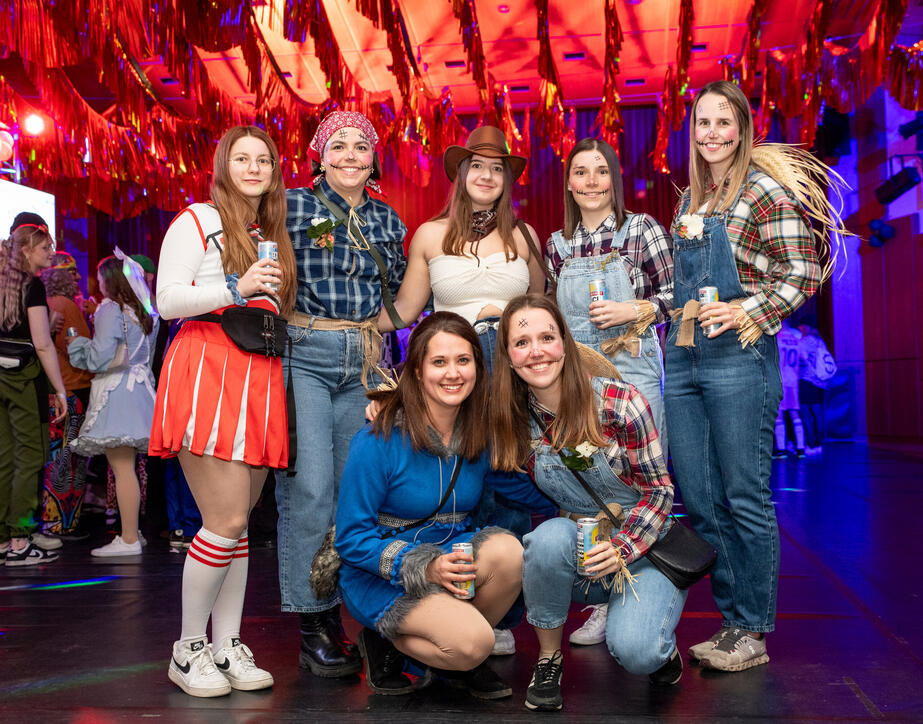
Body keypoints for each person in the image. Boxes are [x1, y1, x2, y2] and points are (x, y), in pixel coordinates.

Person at [663, 80, 844, 672]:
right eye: (702, 123)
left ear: (741, 128)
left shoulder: (762, 189)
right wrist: (648, 306)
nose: (711, 133)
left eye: (723, 122)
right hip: (686, 359)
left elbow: (804, 271)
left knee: (744, 496)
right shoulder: (692, 199)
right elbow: (686, 288)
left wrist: (748, 310)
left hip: (740, 359)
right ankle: (730, 621)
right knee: (701, 498)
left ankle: (752, 630)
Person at [378, 125, 546, 655]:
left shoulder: (524, 236)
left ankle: (501, 614)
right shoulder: (430, 234)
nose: (487, 175)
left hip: (514, 369)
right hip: (457, 369)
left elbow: (543, 307)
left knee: (514, 477)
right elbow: (406, 310)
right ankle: (458, 603)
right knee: (463, 476)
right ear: (460, 174)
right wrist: (340, 323)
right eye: (477, 165)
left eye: (497, 168)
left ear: (506, 180)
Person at [150, 125, 296, 697]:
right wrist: (236, 286)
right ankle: (188, 649)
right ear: (223, 164)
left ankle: (226, 645)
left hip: (257, 370)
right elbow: (167, 301)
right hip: (207, 363)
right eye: (243, 157)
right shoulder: (196, 219)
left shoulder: (269, 231)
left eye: (264, 158)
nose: (254, 167)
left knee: (237, 530)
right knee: (226, 522)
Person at [335, 312, 553, 698]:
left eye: (463, 360)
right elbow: (351, 539)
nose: (453, 373)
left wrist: (584, 489)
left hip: (451, 562)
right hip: (383, 576)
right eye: (439, 362)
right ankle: (402, 645)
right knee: (474, 644)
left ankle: (451, 648)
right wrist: (424, 567)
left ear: (476, 367)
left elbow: (527, 489)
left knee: (511, 552)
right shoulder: (377, 440)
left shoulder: (478, 434)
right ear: (417, 370)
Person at [489, 294, 684, 712]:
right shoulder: (513, 419)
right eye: (521, 342)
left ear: (565, 342)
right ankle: (548, 658)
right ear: (507, 355)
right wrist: (389, 407)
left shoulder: (619, 401)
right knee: (546, 538)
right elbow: (447, 416)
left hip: (642, 547)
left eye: (547, 336)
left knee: (638, 652)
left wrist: (622, 549)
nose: (536, 351)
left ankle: (655, 640)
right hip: (583, 548)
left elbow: (660, 491)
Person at [277, 111, 407, 678]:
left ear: (373, 157)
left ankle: (365, 614)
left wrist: (383, 338)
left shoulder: (386, 217)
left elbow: (402, 289)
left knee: (359, 490)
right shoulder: (290, 205)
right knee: (309, 488)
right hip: (304, 352)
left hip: (364, 360)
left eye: (362, 146)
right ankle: (314, 622)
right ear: (319, 155)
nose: (351, 155)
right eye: (339, 145)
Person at [545, 137, 673, 647]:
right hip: (579, 375)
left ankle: (643, 592)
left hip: (634, 367)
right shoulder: (557, 245)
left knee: (640, 482)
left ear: (613, 180)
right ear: (570, 182)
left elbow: (677, 294)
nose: (592, 181)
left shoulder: (641, 230)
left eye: (601, 171)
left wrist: (634, 310)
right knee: (585, 486)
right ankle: (601, 600)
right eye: (581, 172)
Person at [68, 254, 159, 556]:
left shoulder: (111, 310)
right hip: (141, 392)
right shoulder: (146, 311)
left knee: (122, 469)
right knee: (128, 467)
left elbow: (99, 356)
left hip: (118, 391)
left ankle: (129, 538)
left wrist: (76, 345)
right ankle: (133, 533)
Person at [0, 217, 67, 566]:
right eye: (45, 248)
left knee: (4, 457)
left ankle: (3, 539)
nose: (51, 253)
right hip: (24, 377)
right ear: (27, 249)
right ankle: (20, 540)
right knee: (29, 456)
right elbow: (42, 344)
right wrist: (59, 390)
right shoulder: (33, 286)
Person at [39, 264, 94, 536]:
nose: (79, 278)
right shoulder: (64, 304)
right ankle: (65, 523)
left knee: (54, 461)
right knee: (69, 463)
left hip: (52, 391)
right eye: (73, 273)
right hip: (71, 392)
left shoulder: (45, 303)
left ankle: (52, 521)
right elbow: (76, 347)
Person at [797, 320, 836, 453]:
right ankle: (819, 443)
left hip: (807, 380)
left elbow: (799, 359)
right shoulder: (820, 341)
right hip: (821, 382)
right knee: (818, 413)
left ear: (806, 327)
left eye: (801, 325)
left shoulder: (804, 342)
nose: (800, 328)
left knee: (805, 413)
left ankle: (811, 444)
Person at [773, 319, 805, 458]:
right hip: (793, 380)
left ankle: (781, 449)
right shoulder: (797, 339)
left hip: (780, 379)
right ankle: (800, 448)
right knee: (795, 414)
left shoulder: (776, 338)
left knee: (779, 415)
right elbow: (804, 358)